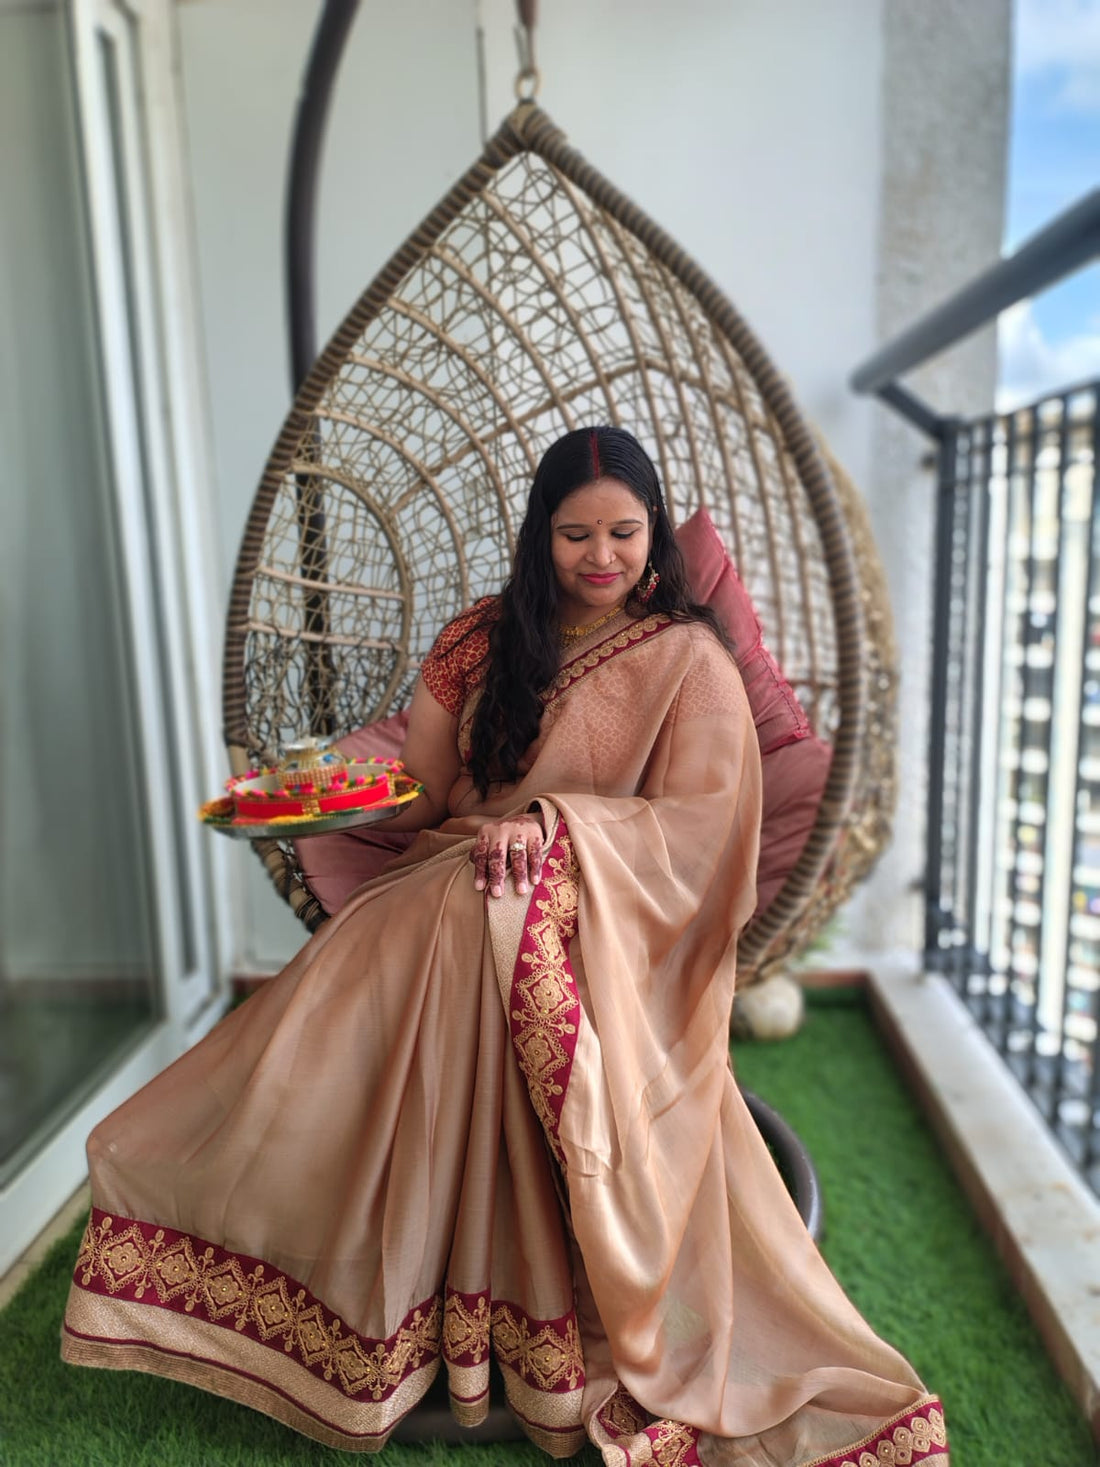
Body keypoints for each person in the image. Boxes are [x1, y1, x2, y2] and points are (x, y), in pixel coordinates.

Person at [61, 427, 947, 1466]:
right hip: (450, 871)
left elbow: (704, 829)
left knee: (487, 920)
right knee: (447, 920)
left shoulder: (686, 655)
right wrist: (322, 800)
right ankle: (292, 1247)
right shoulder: (483, 637)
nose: (600, 556)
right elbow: (431, 796)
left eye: (623, 531)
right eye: (575, 533)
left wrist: (556, 831)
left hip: (611, 911)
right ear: (541, 536)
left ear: (654, 534)